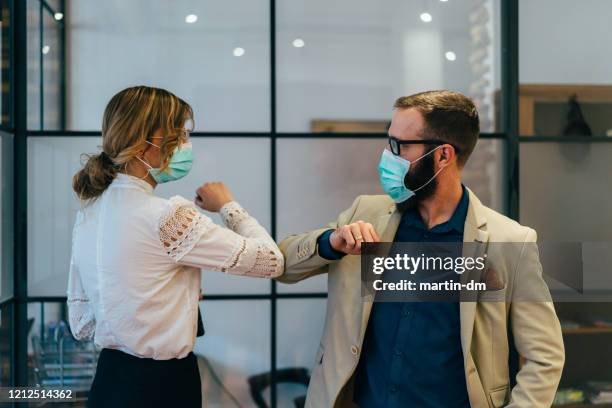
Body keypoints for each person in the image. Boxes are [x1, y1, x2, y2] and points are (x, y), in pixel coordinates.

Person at [276, 90, 564, 407]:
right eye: (390, 143)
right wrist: (331, 242)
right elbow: (282, 264)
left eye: (401, 146)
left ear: (443, 156)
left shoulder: (509, 241)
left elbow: (544, 355)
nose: (389, 156)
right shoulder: (364, 214)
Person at [67, 86, 283, 408]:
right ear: (146, 143)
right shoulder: (167, 217)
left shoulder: (89, 213)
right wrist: (228, 206)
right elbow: (271, 261)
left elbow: (82, 323)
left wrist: (169, 295)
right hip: (161, 386)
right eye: (179, 134)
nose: (185, 145)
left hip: (109, 381)